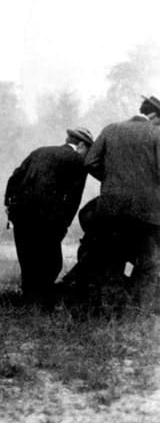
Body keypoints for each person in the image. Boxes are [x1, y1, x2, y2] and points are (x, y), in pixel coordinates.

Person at [81, 95, 160, 305]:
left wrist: (111, 180)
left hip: (111, 209)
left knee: (111, 260)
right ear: (155, 116)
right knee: (149, 262)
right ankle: (139, 311)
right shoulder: (158, 133)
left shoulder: (110, 129)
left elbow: (90, 162)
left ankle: (108, 310)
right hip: (148, 212)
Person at [4, 127, 93, 305]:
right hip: (48, 218)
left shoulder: (40, 151)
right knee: (51, 263)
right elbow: (74, 197)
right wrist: (64, 223)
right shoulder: (78, 161)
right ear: (82, 144)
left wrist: (9, 204)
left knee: (27, 259)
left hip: (20, 213)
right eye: (88, 150)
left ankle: (28, 300)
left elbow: (14, 178)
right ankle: (42, 303)